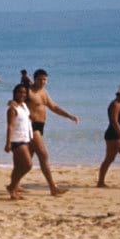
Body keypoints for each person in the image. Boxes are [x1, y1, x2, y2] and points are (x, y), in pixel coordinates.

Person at [26, 68, 78, 196]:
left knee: (27, 160)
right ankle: (53, 187)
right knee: (43, 155)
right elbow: (17, 103)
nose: (42, 82)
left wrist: (69, 116)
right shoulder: (28, 91)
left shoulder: (44, 92)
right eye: (40, 79)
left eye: (44, 79)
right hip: (31, 126)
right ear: (34, 79)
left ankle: (13, 185)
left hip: (40, 126)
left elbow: (53, 107)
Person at [5, 84, 34, 200]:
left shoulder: (24, 106)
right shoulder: (12, 109)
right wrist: (8, 143)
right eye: (20, 92)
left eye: (24, 92)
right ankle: (11, 187)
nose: (22, 94)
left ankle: (14, 190)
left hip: (25, 139)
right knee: (28, 165)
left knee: (17, 167)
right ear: (15, 93)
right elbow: (10, 126)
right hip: (16, 140)